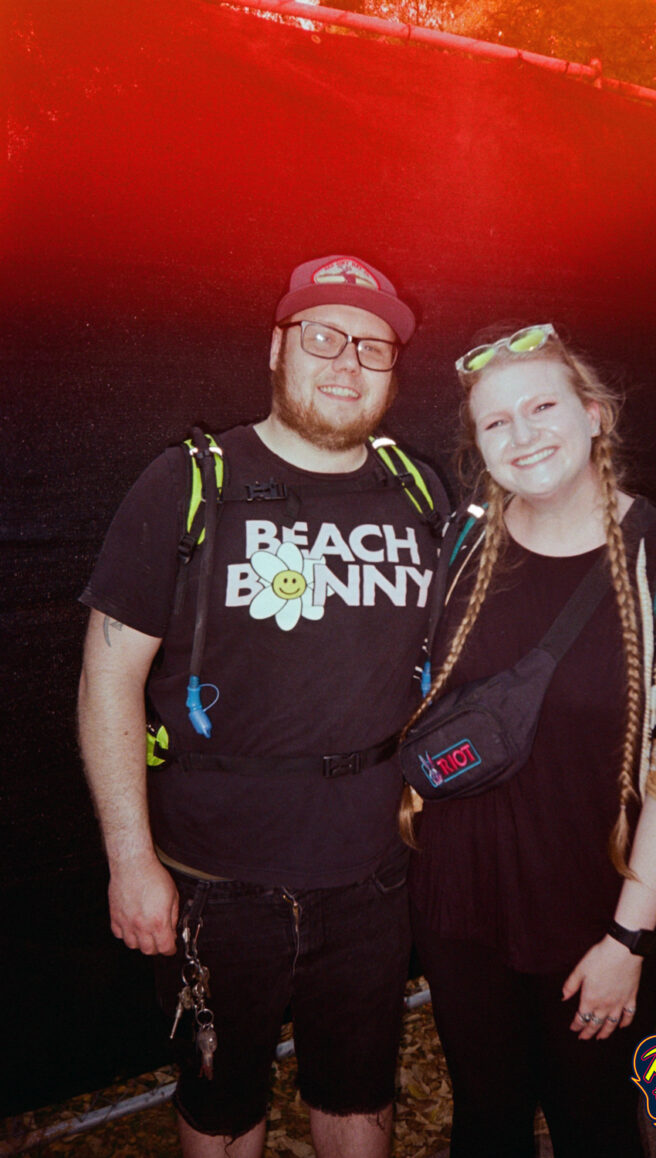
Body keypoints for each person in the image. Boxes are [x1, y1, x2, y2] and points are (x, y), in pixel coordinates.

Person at [78, 254, 447, 1158]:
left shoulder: (423, 492)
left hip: (371, 872)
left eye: (372, 347)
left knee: (359, 1090)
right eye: (322, 336)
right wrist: (130, 859)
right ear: (276, 348)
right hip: (212, 877)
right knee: (220, 1098)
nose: (346, 362)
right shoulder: (188, 482)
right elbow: (107, 679)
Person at [403, 324, 656, 1157]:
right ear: (478, 445)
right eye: (496, 423)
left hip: (600, 905)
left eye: (543, 407)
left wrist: (628, 940)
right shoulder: (460, 544)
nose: (523, 436)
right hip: (460, 898)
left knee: (591, 1119)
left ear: (595, 416)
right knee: (486, 1115)